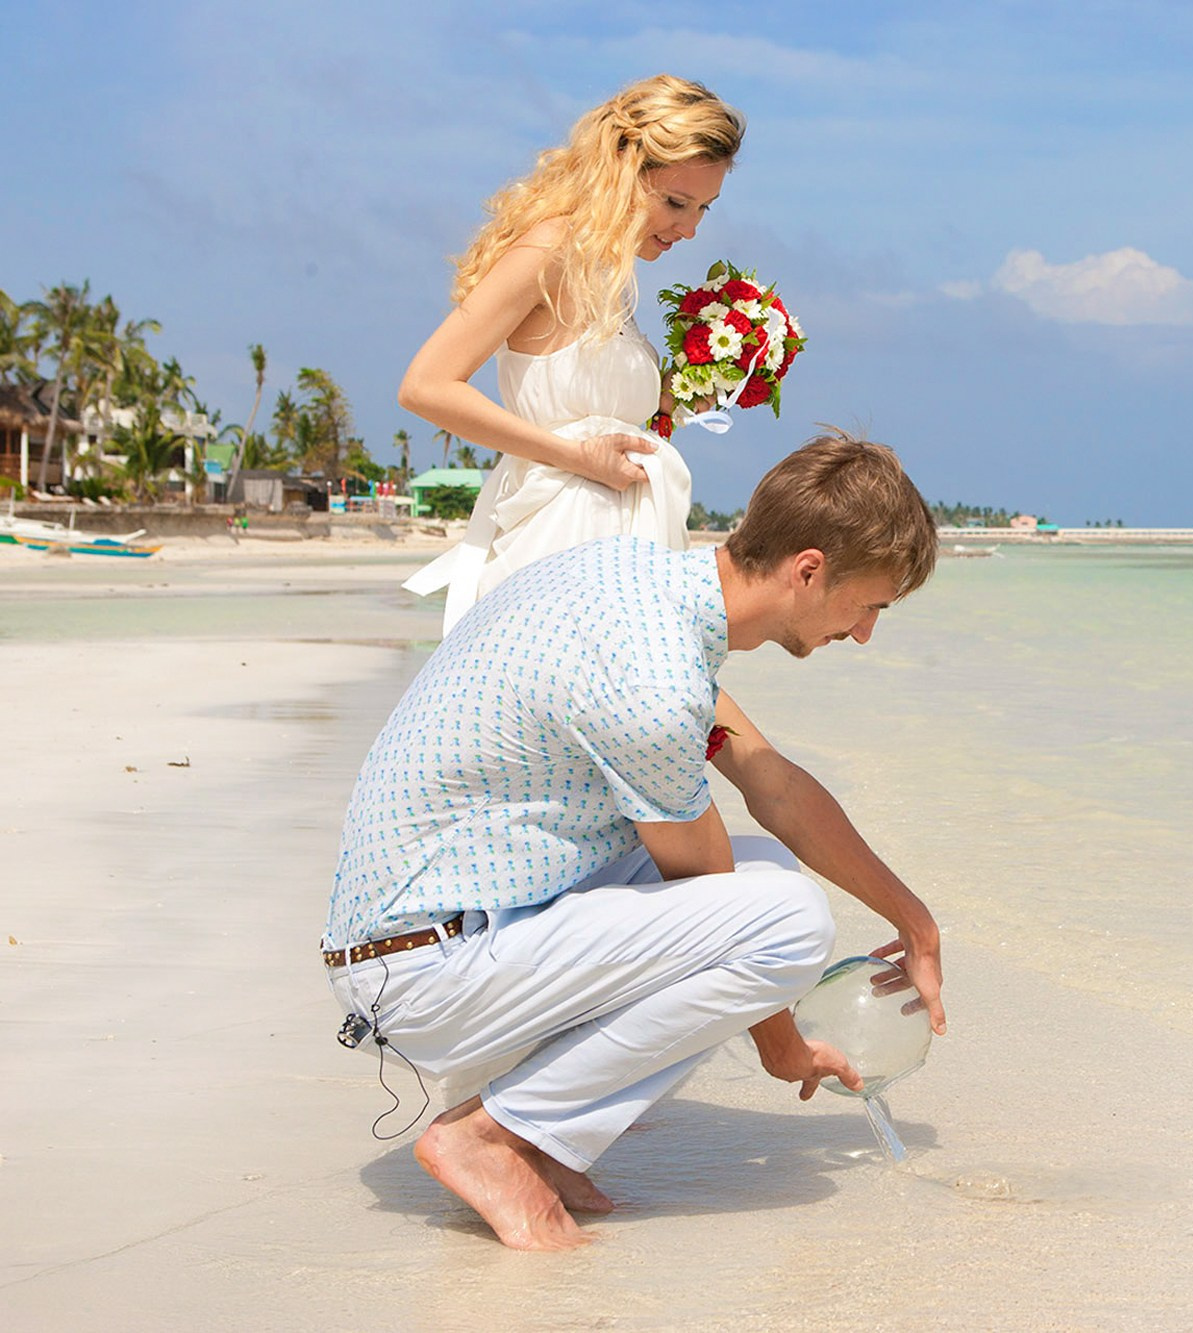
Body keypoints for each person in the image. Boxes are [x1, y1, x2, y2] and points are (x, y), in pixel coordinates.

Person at [323, 433, 945, 1251]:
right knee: (788, 919)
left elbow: (775, 787)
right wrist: (785, 1046)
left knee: (769, 870)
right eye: (870, 606)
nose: (864, 632)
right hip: (423, 970)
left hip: (438, 930)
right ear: (808, 569)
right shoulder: (656, 683)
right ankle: (492, 1135)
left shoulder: (638, 584)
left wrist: (916, 923)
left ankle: (540, 1138)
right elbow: (711, 891)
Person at [399, 73, 743, 633]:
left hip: (618, 551)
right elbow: (425, 386)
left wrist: (680, 393)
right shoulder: (551, 249)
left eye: (705, 208)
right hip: (560, 549)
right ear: (622, 169)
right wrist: (576, 456)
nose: (690, 228)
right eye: (676, 202)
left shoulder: (607, 273)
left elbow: (590, 409)